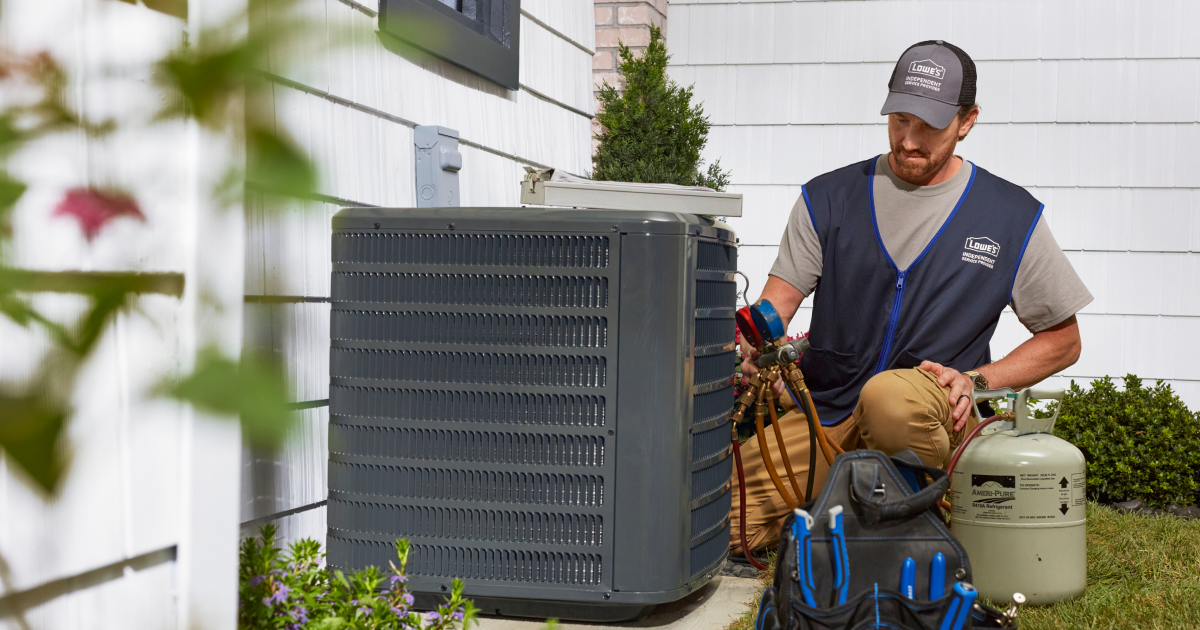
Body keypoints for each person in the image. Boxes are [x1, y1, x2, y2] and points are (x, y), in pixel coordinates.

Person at [730, 40, 1092, 555]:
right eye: (900, 119)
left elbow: (1063, 340)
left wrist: (974, 381)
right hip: (828, 415)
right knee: (715, 524)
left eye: (929, 127)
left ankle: (906, 531)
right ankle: (843, 519)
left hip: (925, 410)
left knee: (889, 398)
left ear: (967, 122)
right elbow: (775, 307)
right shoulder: (828, 198)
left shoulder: (1009, 216)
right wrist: (746, 336)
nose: (909, 140)